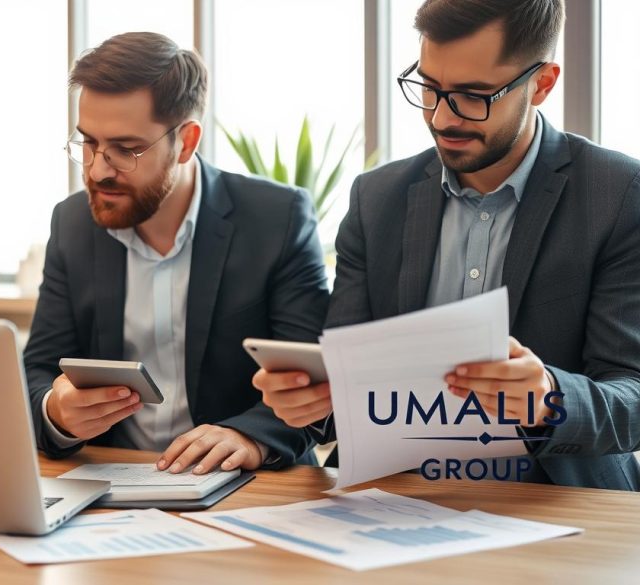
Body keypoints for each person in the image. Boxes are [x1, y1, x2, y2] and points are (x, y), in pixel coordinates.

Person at [256, 0, 640, 490]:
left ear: (542, 83)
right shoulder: (376, 198)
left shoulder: (618, 193)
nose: (441, 118)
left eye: (473, 96)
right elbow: (344, 374)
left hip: (557, 501)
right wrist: (315, 404)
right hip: (396, 497)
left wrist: (549, 397)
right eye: (429, 89)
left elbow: (632, 395)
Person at [24, 32, 329, 475]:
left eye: (126, 150)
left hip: (248, 485)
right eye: (88, 142)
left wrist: (249, 436)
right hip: (109, 482)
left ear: (186, 141)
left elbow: (312, 386)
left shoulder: (277, 219)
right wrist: (58, 412)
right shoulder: (72, 223)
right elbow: (38, 369)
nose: (96, 169)